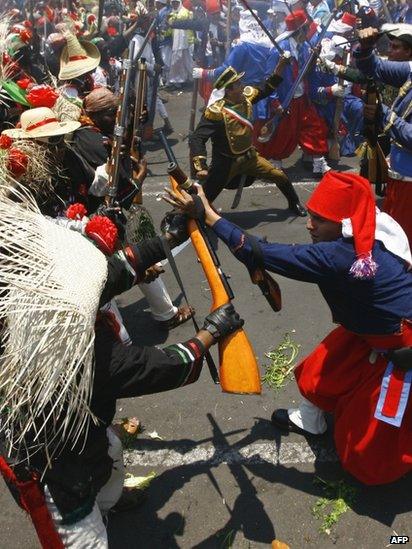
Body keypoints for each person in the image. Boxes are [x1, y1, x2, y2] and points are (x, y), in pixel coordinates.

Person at [0, 180, 244, 547]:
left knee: (111, 453)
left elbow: (115, 271)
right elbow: (158, 366)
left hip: (85, 427)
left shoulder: (40, 301)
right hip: (53, 466)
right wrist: (211, 332)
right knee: (85, 534)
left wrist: (166, 239)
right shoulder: (80, 353)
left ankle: (110, 502)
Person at [165, 170, 412, 486]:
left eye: (319, 221)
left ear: (344, 223)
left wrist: (209, 216)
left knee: (366, 452)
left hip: (401, 347)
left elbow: (260, 252)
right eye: (310, 216)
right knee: (322, 368)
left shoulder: (340, 255)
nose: (310, 226)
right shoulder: (370, 228)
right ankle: (311, 419)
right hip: (367, 331)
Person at [189, 64, 307, 216]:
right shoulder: (216, 112)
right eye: (237, 84)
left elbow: (267, 88)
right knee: (204, 196)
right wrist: (201, 167)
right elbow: (197, 138)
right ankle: (180, 221)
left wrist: (279, 68)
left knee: (279, 175)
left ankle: (294, 202)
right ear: (229, 90)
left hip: (250, 158)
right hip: (226, 164)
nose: (242, 85)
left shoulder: (247, 97)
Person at [255, 10, 331, 177]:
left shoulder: (304, 47)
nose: (308, 33)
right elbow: (270, 78)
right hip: (285, 99)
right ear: (300, 30)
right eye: (306, 30)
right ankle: (275, 165)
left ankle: (318, 162)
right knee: (282, 134)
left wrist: (314, 58)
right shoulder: (279, 51)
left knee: (314, 128)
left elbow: (306, 72)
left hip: (302, 98)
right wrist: (275, 103)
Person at [355, 25, 412, 246]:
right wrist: (366, 47)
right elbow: (374, 68)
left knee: (401, 248)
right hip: (399, 178)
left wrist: (384, 112)